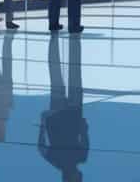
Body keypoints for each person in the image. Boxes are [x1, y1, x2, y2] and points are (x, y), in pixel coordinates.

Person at [39, 34, 88, 181]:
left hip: (72, 113)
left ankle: (69, 45)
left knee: (74, 71)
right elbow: (41, 148)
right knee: (55, 74)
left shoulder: (81, 157)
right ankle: (54, 45)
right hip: (57, 116)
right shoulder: (56, 161)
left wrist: (83, 126)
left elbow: (84, 132)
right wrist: (43, 125)